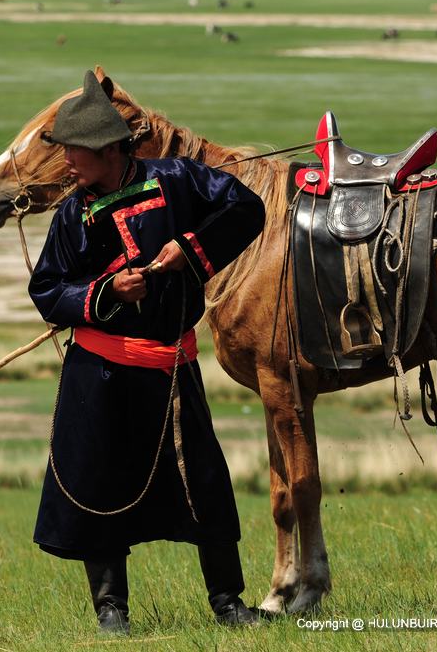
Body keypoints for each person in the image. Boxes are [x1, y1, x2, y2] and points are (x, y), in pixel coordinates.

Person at [28, 70, 265, 635]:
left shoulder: (180, 181)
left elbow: (246, 209)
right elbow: (46, 290)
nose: (66, 165)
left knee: (203, 482)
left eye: (74, 154)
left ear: (108, 149)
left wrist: (188, 248)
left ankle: (229, 603)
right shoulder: (70, 216)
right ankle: (112, 611)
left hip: (172, 371)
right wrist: (106, 292)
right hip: (100, 376)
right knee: (98, 487)